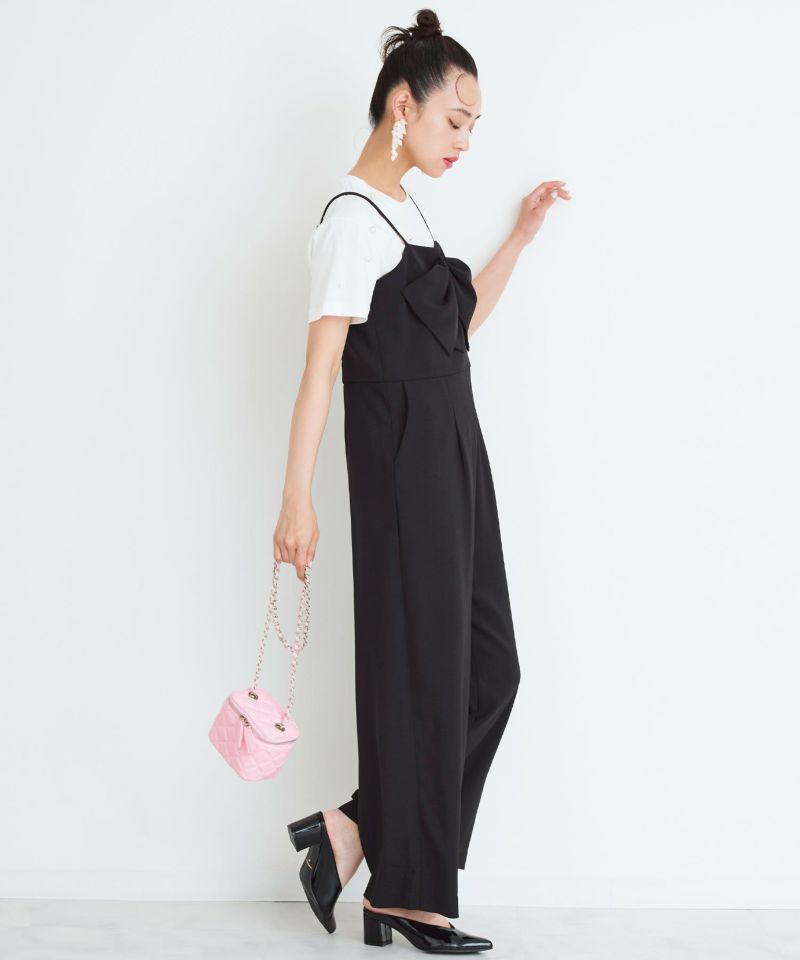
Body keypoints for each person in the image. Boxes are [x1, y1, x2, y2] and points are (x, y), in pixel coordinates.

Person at [277, 8, 571, 953]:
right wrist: (296, 497)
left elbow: (454, 331)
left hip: (455, 453)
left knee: (488, 669)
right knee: (425, 674)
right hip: (403, 465)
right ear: (402, 107)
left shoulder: (406, 209)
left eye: (475, 125)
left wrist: (519, 239)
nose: (466, 140)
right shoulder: (350, 220)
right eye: (456, 119)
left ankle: (359, 831)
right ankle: (406, 892)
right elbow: (321, 367)